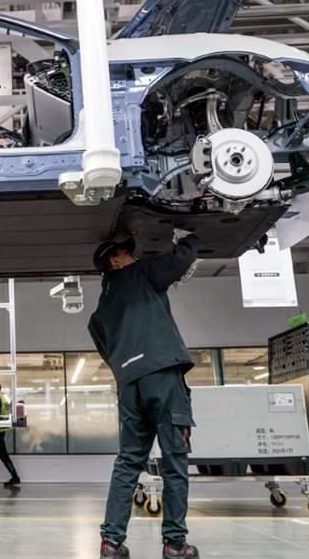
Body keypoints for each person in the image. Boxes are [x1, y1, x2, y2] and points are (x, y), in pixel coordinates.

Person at [89, 230, 200, 559]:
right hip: (162, 374)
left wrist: (127, 367)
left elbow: (103, 346)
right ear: (115, 261)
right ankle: (176, 544)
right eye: (127, 253)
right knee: (174, 461)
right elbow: (181, 260)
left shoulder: (101, 310)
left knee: (127, 462)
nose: (134, 257)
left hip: (129, 384)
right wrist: (189, 237)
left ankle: (111, 542)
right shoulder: (139, 273)